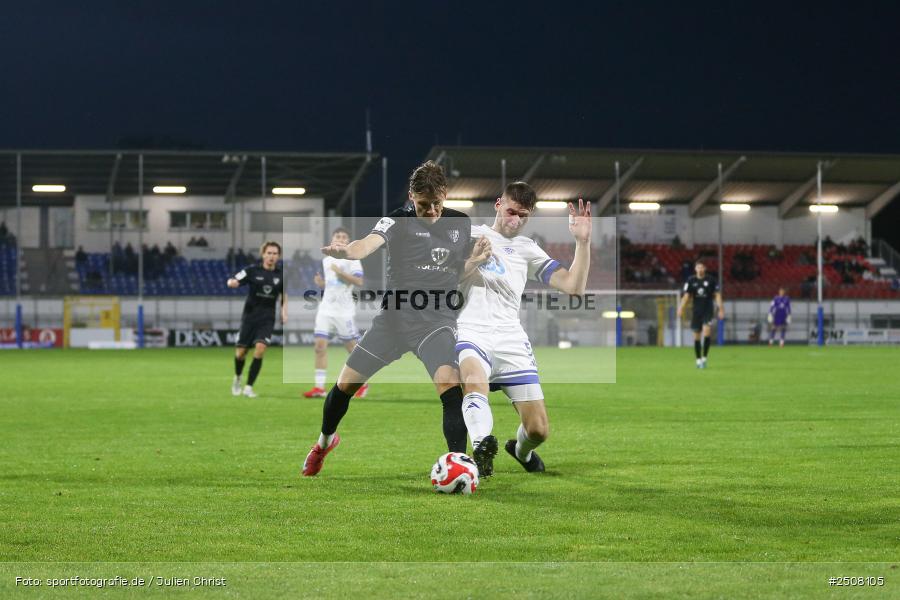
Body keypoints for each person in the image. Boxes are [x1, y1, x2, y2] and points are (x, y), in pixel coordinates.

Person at [301, 160, 487, 476]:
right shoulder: (396, 221)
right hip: (394, 321)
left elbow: (454, 272)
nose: (430, 212)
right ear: (412, 198)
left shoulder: (461, 224)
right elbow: (364, 246)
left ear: (445, 195)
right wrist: (345, 252)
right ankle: (324, 443)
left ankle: (458, 464)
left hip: (436, 321)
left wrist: (473, 262)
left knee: (449, 385)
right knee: (345, 385)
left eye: (436, 204)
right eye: (423, 205)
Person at [456, 182, 592, 476]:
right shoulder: (469, 235)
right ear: (498, 205)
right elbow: (443, 278)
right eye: (511, 211)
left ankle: (519, 451)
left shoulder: (527, 248)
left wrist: (582, 242)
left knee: (538, 430)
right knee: (473, 378)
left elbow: (574, 287)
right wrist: (473, 260)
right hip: (470, 328)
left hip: (511, 339)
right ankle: (482, 448)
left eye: (523, 216)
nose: (515, 220)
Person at [302, 227, 368, 399]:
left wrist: (341, 272)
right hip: (325, 309)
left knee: (353, 349)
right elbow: (332, 285)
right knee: (319, 347)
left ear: (348, 241)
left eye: (344, 236)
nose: (340, 238)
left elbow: (359, 281)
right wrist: (321, 284)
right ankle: (319, 387)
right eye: (337, 236)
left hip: (343, 312)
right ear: (332, 240)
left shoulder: (352, 259)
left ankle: (362, 383)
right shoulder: (327, 260)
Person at [226, 241, 287, 398]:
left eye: (275, 253)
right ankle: (238, 378)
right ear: (263, 254)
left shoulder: (281, 275)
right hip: (249, 317)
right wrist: (232, 283)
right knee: (240, 353)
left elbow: (283, 296)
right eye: (269, 253)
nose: (272, 256)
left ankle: (248, 387)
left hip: (267, 318)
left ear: (278, 256)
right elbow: (235, 279)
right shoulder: (252, 271)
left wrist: (284, 312)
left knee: (260, 349)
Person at [677, 261, 724, 369]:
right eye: (698, 267)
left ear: (705, 268)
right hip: (696, 311)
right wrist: (680, 308)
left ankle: (704, 358)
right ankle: (698, 359)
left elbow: (717, 295)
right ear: (695, 269)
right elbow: (686, 297)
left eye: (702, 267)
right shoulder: (690, 280)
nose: (700, 269)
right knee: (697, 336)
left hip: (708, 310)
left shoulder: (711, 280)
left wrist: (721, 309)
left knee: (707, 333)